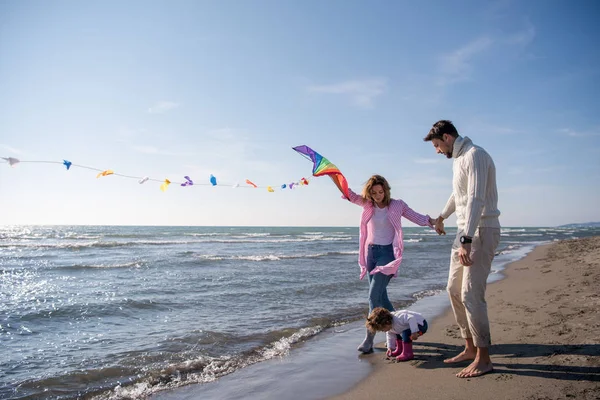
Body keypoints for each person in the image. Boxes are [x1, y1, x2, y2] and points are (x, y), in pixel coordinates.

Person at [423, 120, 501, 378]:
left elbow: (477, 198)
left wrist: (467, 239)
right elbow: (459, 196)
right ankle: (469, 347)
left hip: (480, 230)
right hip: (464, 232)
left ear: (447, 137)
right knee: (453, 289)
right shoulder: (458, 160)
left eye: (436, 145)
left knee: (470, 294)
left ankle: (484, 357)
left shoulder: (475, 155)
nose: (436, 151)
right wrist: (442, 217)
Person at [343, 175, 435, 354]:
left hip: (387, 254)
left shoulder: (397, 205)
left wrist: (434, 223)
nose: (378, 196)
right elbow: (349, 194)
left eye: (380, 191)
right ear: (369, 193)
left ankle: (369, 339)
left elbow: (416, 217)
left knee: (373, 296)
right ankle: (401, 329)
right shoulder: (367, 204)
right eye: (374, 192)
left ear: (386, 190)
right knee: (382, 298)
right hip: (371, 254)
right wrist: (333, 175)